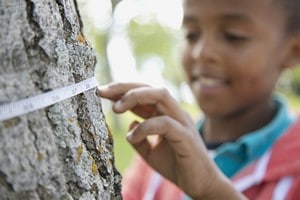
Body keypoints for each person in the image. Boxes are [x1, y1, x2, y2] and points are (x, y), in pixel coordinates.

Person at [97, 0, 300, 199]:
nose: (201, 52)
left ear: (293, 51)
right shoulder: (162, 148)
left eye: (233, 36)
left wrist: (212, 191)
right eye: (191, 35)